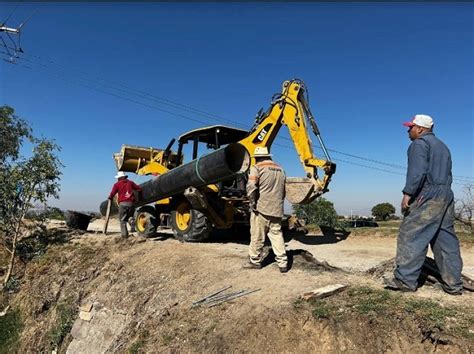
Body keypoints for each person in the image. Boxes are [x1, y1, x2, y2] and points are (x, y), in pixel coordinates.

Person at [384, 114, 463, 295]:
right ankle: (454, 284)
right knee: (445, 238)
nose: (408, 130)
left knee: (411, 234)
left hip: (427, 194)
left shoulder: (419, 144)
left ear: (420, 129)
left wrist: (407, 194)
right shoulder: (443, 146)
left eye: (410, 127)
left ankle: (405, 281)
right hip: (446, 194)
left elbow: (417, 173)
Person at [244, 146, 288, 273]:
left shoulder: (257, 168)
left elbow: (251, 187)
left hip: (261, 208)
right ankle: (283, 263)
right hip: (277, 208)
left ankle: (255, 261)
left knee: (257, 236)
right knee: (277, 235)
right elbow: (284, 190)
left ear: (257, 157)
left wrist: (252, 204)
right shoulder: (281, 169)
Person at [108, 171, 143, 238]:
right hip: (131, 203)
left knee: (122, 220)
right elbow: (139, 189)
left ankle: (124, 235)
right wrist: (138, 198)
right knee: (130, 216)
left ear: (119, 178)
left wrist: (110, 197)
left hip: (123, 204)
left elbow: (112, 193)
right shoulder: (130, 182)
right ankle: (131, 220)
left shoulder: (117, 184)